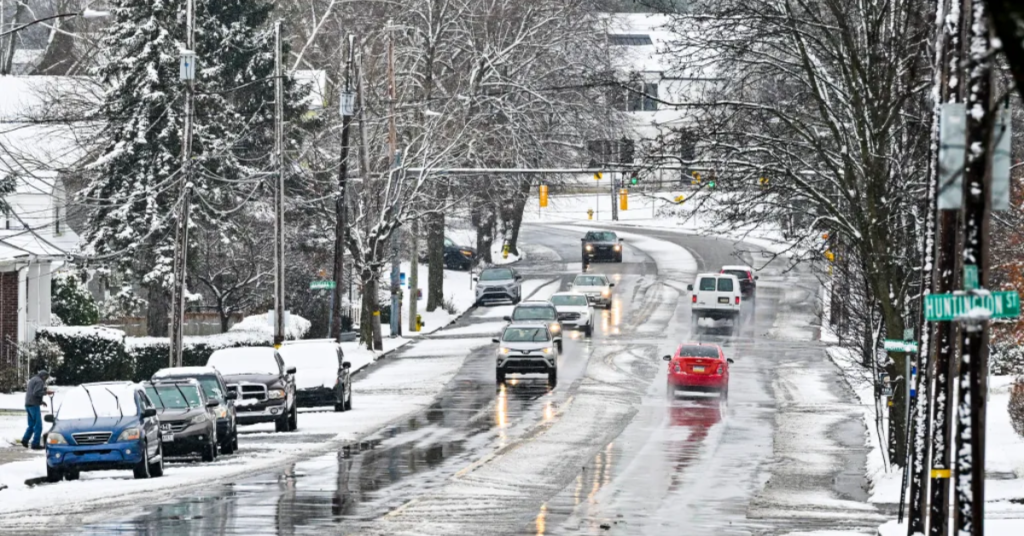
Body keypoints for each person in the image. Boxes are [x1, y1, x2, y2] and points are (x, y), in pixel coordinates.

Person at [22, 370, 49, 450]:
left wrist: (41, 401)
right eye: (46, 377)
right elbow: (36, 392)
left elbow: (32, 393)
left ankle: (25, 439)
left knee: (31, 424)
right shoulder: (39, 381)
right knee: (38, 425)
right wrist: (46, 392)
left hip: (28, 404)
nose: (46, 379)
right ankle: (35, 443)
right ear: (43, 376)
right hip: (34, 405)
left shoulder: (33, 379)